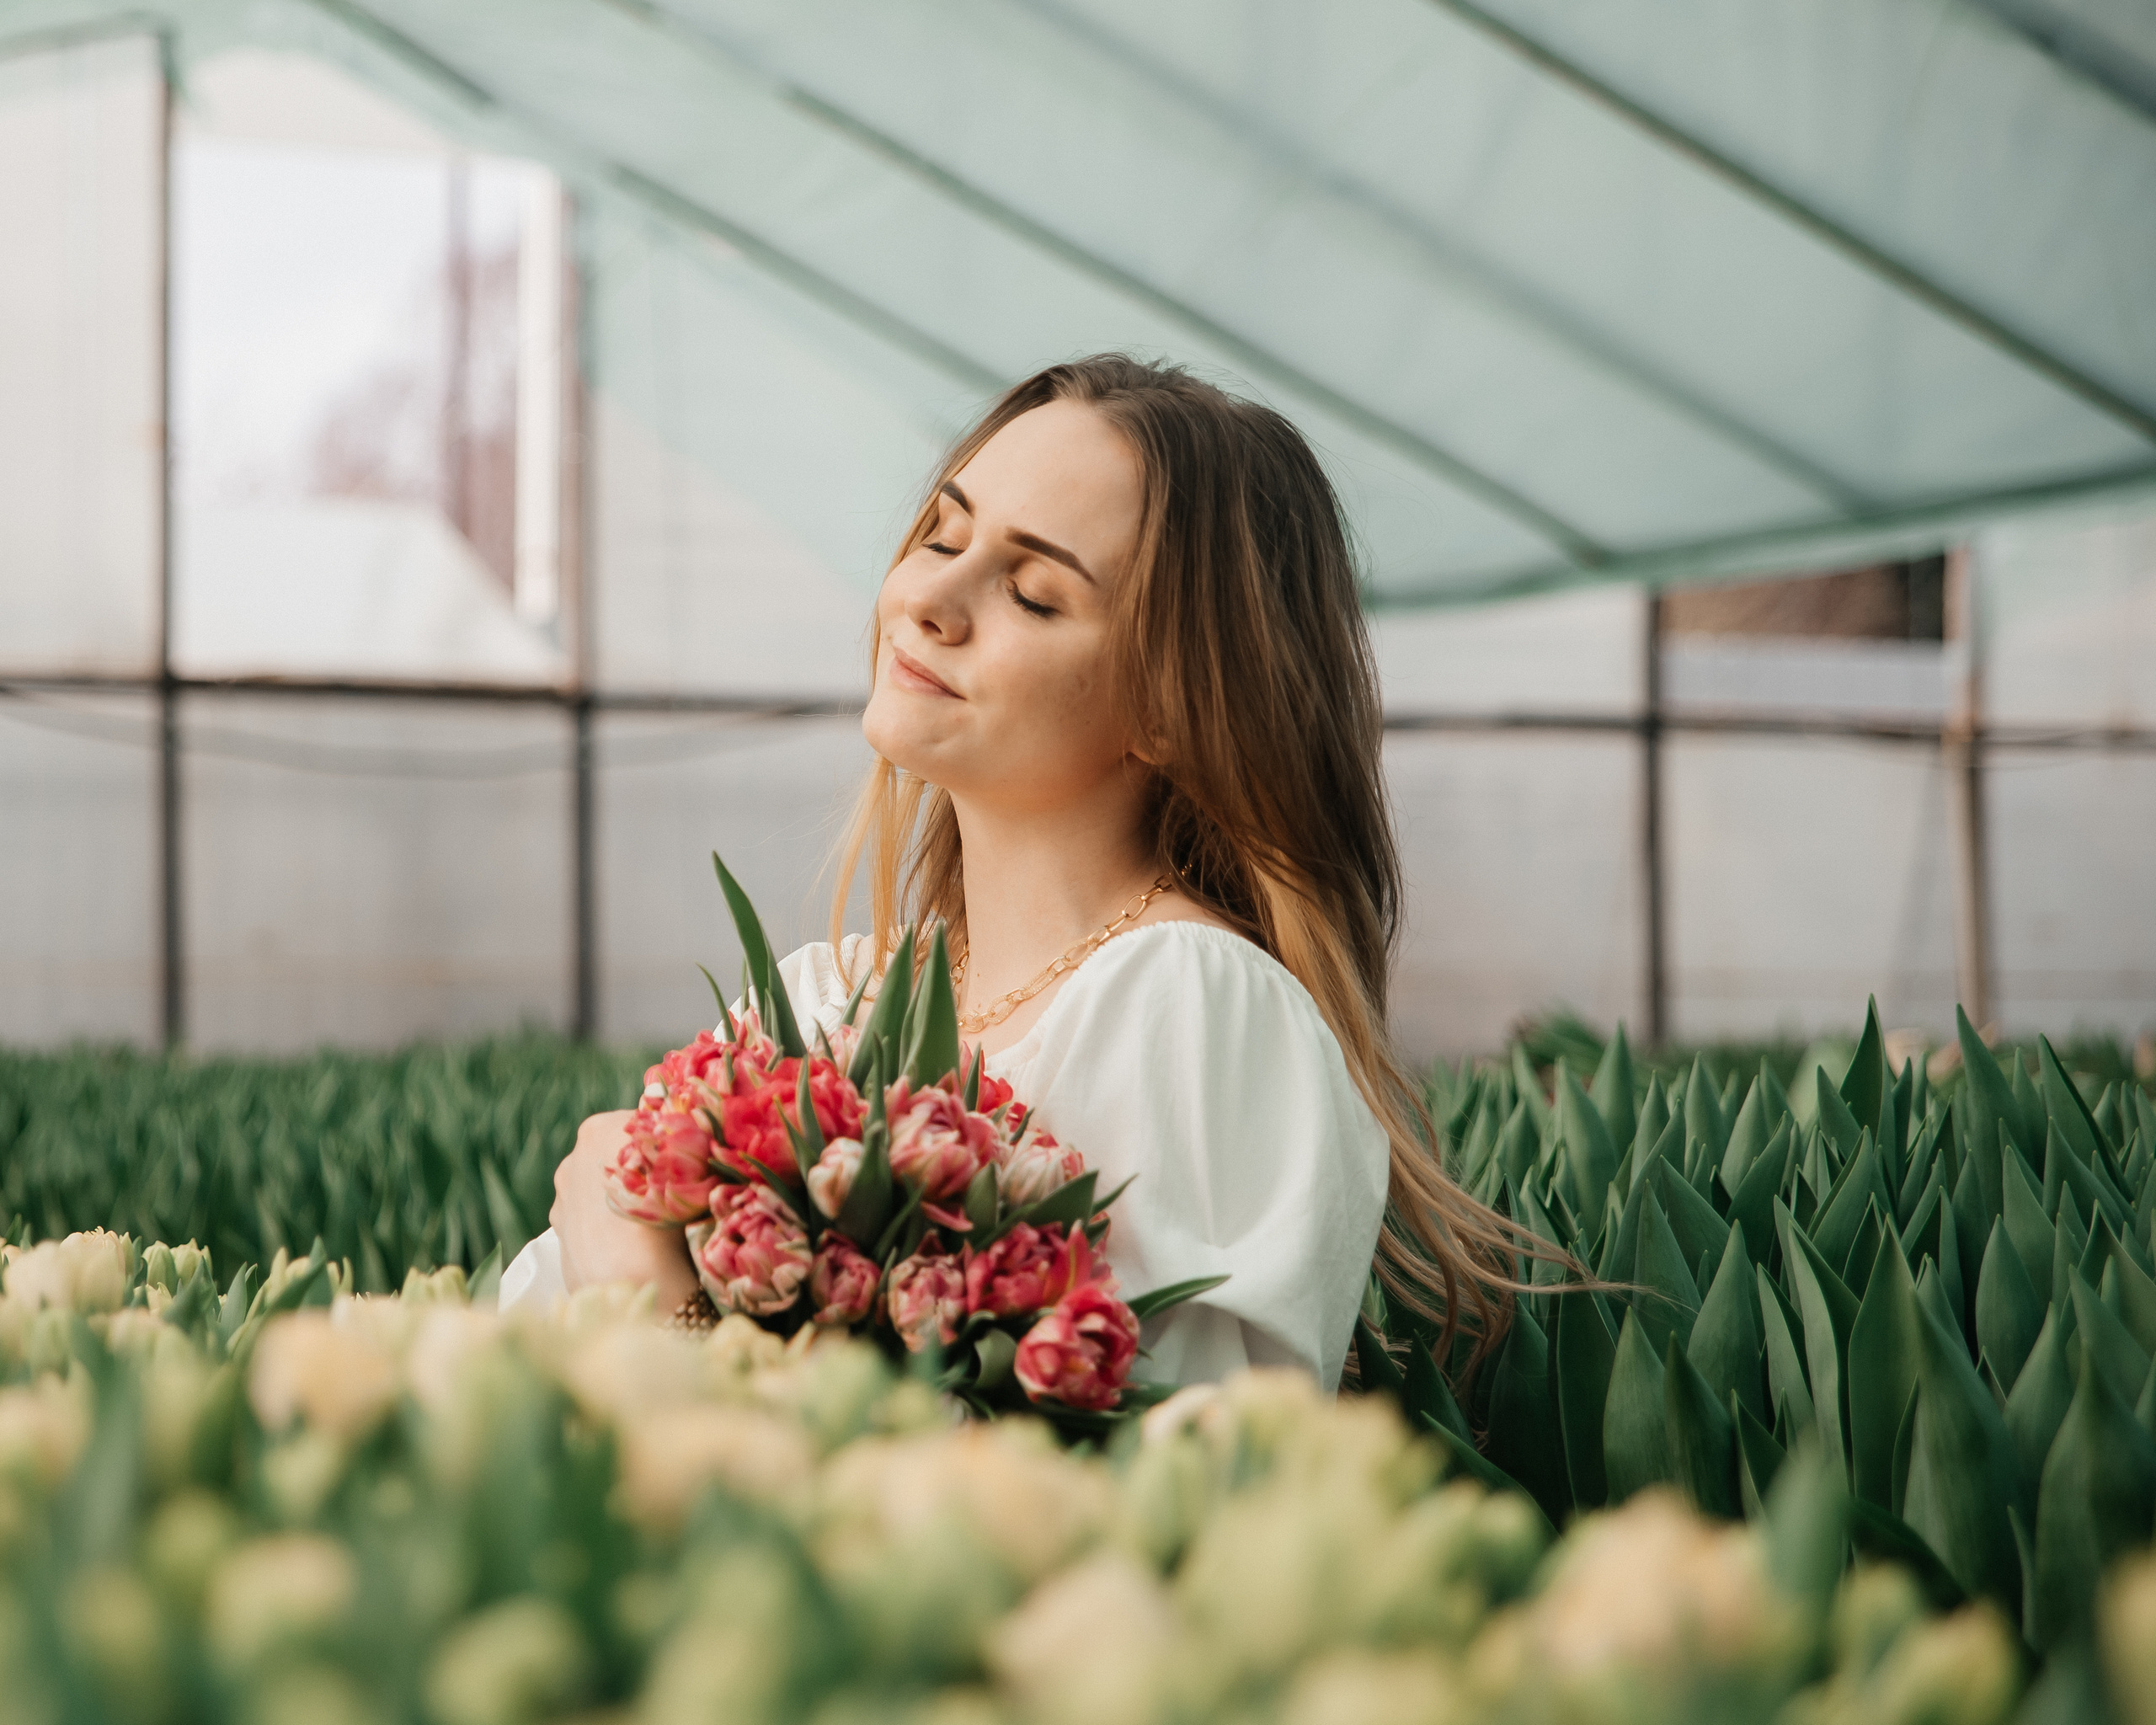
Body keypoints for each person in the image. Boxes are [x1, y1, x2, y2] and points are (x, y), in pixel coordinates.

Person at [503, 354, 1520, 1389]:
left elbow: (1162, 1479)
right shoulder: (812, 1002)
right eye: (942, 535)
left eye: (1034, 594)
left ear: (1172, 708)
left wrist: (655, 1309)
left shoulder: (1191, 1006)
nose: (929, 596)